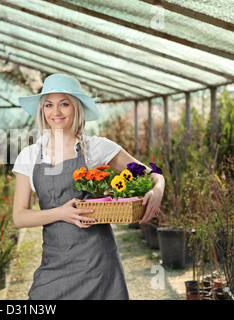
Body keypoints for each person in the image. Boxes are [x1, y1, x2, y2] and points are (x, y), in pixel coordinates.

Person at [12, 74, 165, 300]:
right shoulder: (30, 155)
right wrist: (61, 213)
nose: (56, 112)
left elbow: (150, 174)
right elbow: (19, 217)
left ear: (77, 108)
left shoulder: (96, 148)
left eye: (64, 104)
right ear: (42, 110)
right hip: (54, 264)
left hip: (98, 263)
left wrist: (159, 188)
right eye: (49, 105)